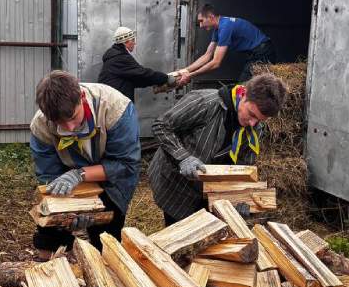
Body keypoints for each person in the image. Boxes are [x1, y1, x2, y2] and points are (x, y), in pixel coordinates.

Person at [148, 73, 287, 225]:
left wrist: (242, 196)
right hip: (177, 186)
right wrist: (183, 157)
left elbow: (244, 166)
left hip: (210, 192)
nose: (253, 123)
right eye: (251, 114)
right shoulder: (205, 102)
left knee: (209, 231)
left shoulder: (255, 129)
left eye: (259, 120)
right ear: (244, 94)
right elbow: (162, 126)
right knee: (177, 231)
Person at [29, 70, 141, 258]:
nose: (70, 128)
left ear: (81, 97)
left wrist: (79, 174)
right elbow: (49, 176)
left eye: (73, 117)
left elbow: (125, 164)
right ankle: (48, 266)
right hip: (66, 175)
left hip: (112, 178)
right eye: (60, 122)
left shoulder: (116, 108)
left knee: (106, 235)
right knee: (51, 225)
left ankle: (103, 266)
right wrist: (69, 211)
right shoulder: (41, 124)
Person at [177, 4, 276, 83]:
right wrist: (185, 70)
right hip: (256, 53)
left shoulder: (225, 27)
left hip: (263, 52)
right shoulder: (218, 30)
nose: (201, 25)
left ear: (211, 17)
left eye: (201, 21)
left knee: (243, 87)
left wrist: (191, 75)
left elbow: (216, 63)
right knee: (247, 86)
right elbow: (207, 55)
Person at [97, 25, 181, 99]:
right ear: (125, 42)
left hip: (112, 101)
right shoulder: (120, 58)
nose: (134, 43)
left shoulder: (115, 56)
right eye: (133, 40)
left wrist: (155, 82)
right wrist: (166, 78)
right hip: (116, 104)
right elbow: (142, 73)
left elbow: (136, 79)